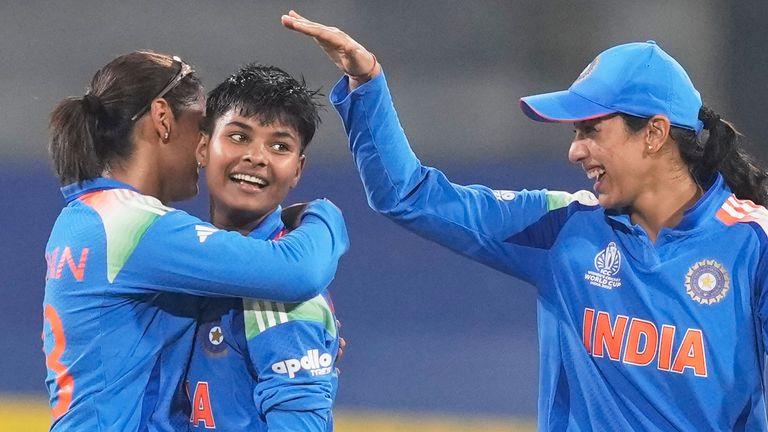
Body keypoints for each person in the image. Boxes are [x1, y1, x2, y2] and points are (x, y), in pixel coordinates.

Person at [282, 10, 768, 431]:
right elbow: (409, 194)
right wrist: (365, 86)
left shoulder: (754, 246)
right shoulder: (564, 227)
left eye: (592, 130)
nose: (575, 150)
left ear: (654, 133)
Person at [44, 50, 348, 431]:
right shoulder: (134, 225)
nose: (201, 146)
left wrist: (305, 343)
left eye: (279, 145)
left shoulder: (88, 216)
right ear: (162, 119)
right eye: (201, 125)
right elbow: (297, 271)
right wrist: (324, 215)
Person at [186, 63, 340, 431]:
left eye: (279, 146)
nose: (257, 156)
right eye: (239, 136)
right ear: (204, 147)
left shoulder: (280, 293)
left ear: (297, 170)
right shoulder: (183, 261)